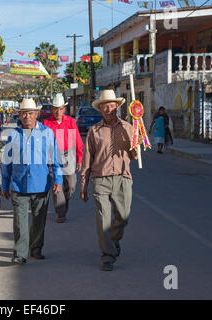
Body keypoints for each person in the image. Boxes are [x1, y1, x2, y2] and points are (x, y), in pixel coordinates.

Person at [80, 90, 138, 272]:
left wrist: (135, 149)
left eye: (112, 106)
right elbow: (87, 160)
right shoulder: (94, 131)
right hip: (100, 179)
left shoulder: (129, 128)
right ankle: (107, 256)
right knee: (103, 219)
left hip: (123, 177)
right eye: (105, 106)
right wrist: (83, 184)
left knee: (123, 216)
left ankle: (112, 242)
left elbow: (135, 155)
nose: (109, 109)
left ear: (117, 107)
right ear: (101, 109)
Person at [1, 98, 63, 265]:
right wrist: (4, 184)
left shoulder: (47, 133)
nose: (27, 116)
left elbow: (56, 159)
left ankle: (35, 249)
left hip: (40, 184)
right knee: (20, 222)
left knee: (38, 220)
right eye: (23, 113)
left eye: (30, 113)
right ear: (19, 115)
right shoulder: (13, 135)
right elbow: (6, 161)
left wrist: (58, 180)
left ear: (37, 114)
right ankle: (20, 253)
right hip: (18, 184)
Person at [43, 93, 84, 223]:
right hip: (52, 158)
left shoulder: (70, 121)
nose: (58, 111)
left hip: (68, 156)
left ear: (64, 109)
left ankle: (63, 203)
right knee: (57, 184)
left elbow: (77, 140)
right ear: (52, 109)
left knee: (71, 185)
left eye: (60, 108)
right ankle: (60, 213)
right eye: (55, 108)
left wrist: (79, 159)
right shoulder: (46, 123)